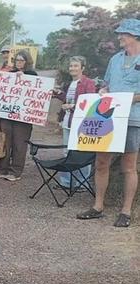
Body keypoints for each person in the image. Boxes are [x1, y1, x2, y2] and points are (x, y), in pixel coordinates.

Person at [77, 19, 140, 228]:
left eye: (123, 33)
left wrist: (133, 98)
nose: (119, 36)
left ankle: (126, 211)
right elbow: (106, 83)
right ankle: (98, 206)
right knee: (101, 162)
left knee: (128, 167)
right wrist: (103, 91)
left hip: (133, 120)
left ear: (134, 36)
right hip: (108, 118)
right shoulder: (115, 59)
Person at [0, 49, 38, 181]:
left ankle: (16, 170)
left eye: (21, 60)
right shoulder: (9, 74)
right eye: (17, 60)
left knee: (19, 143)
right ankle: (2, 168)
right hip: (7, 114)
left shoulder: (33, 75)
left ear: (27, 61)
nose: (19, 63)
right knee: (4, 141)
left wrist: (23, 77)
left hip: (23, 118)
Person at [52, 56, 96, 190]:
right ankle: (66, 181)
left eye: (76, 66)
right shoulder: (69, 83)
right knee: (67, 152)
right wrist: (59, 94)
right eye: (71, 66)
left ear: (82, 68)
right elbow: (67, 99)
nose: (72, 68)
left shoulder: (88, 83)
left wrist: (72, 106)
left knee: (82, 152)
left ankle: (83, 183)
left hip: (81, 123)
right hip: (67, 121)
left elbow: (91, 103)